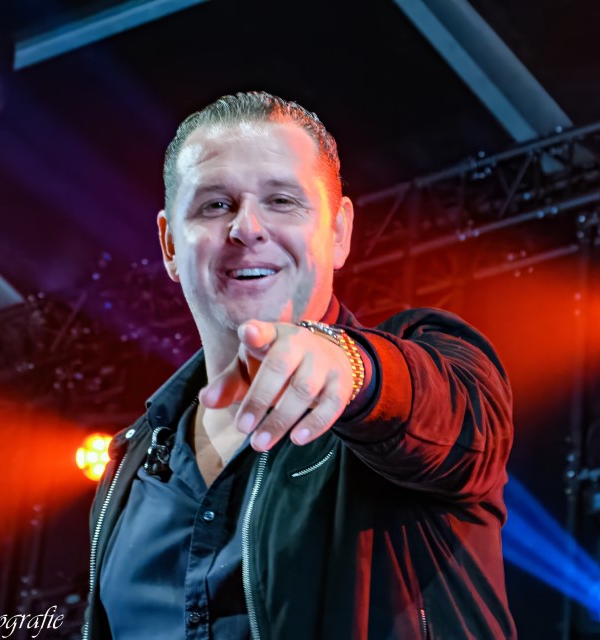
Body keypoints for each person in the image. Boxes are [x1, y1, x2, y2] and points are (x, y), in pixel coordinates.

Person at [83, 91, 516, 639]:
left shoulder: (421, 372)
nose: (247, 228)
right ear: (170, 245)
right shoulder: (132, 468)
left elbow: (463, 424)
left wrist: (349, 367)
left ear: (338, 232)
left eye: (283, 201)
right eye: (215, 205)